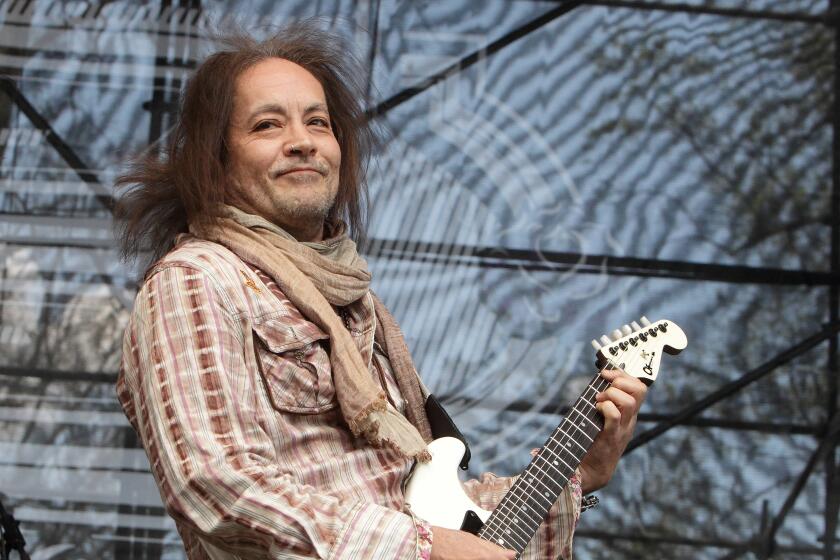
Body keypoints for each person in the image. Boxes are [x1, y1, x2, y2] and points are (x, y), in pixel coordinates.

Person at [115, 22, 647, 560]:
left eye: (317, 122)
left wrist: (577, 475)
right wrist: (422, 547)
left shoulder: (359, 307)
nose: (302, 141)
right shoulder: (197, 279)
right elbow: (215, 481)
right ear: (218, 162)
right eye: (267, 125)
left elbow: (448, 518)